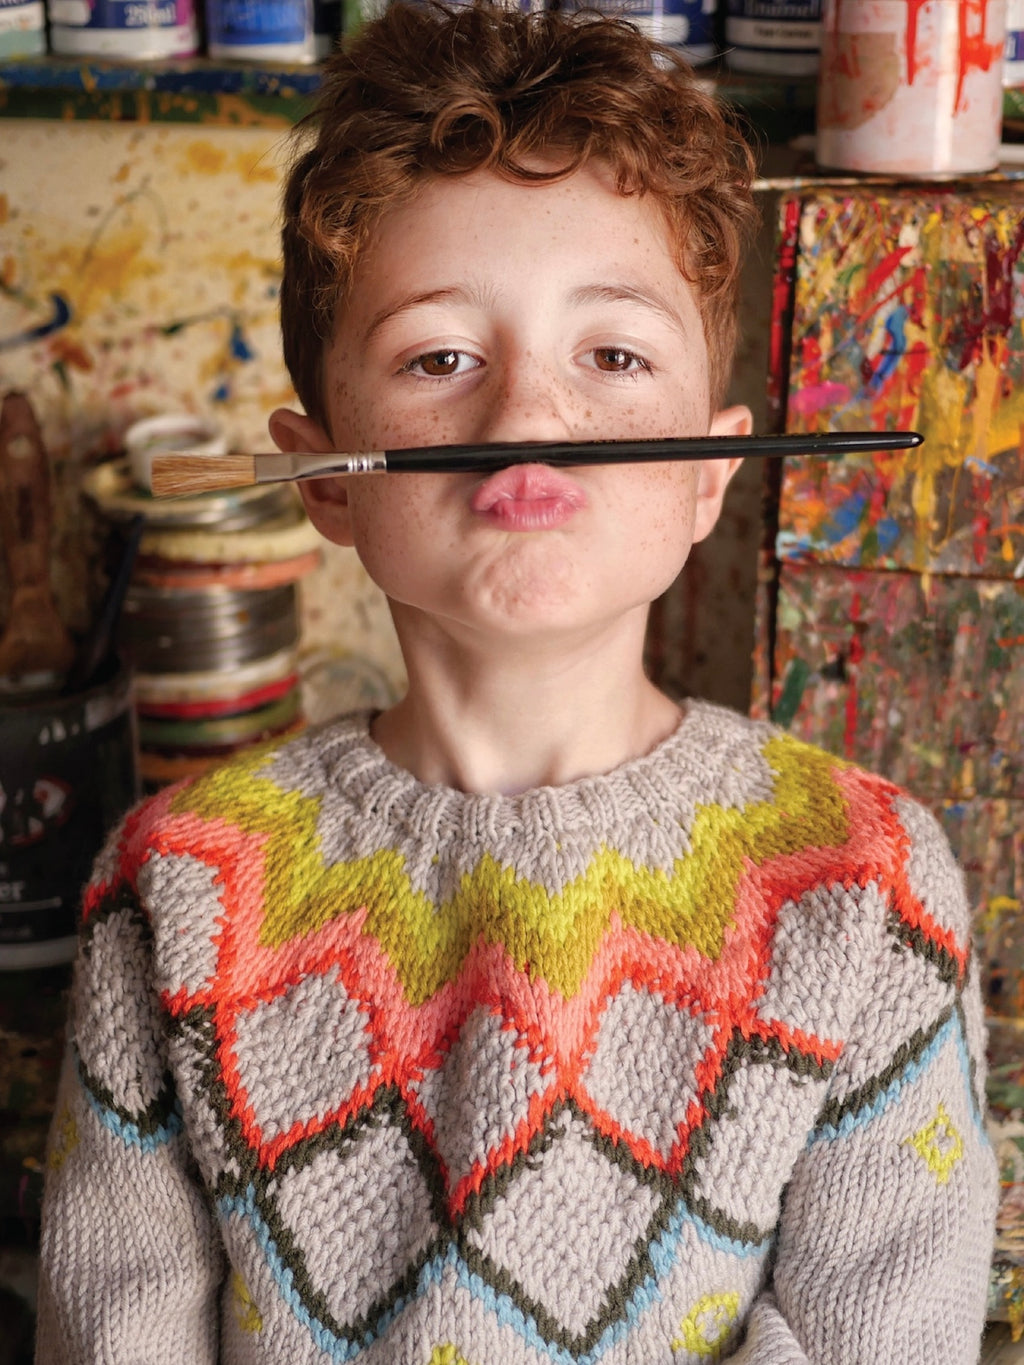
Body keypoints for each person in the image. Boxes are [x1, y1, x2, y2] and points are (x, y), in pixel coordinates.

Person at [36, 3, 997, 1361]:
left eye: (612, 356)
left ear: (713, 466)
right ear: (320, 473)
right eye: (440, 359)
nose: (527, 415)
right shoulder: (175, 889)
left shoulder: (865, 887)